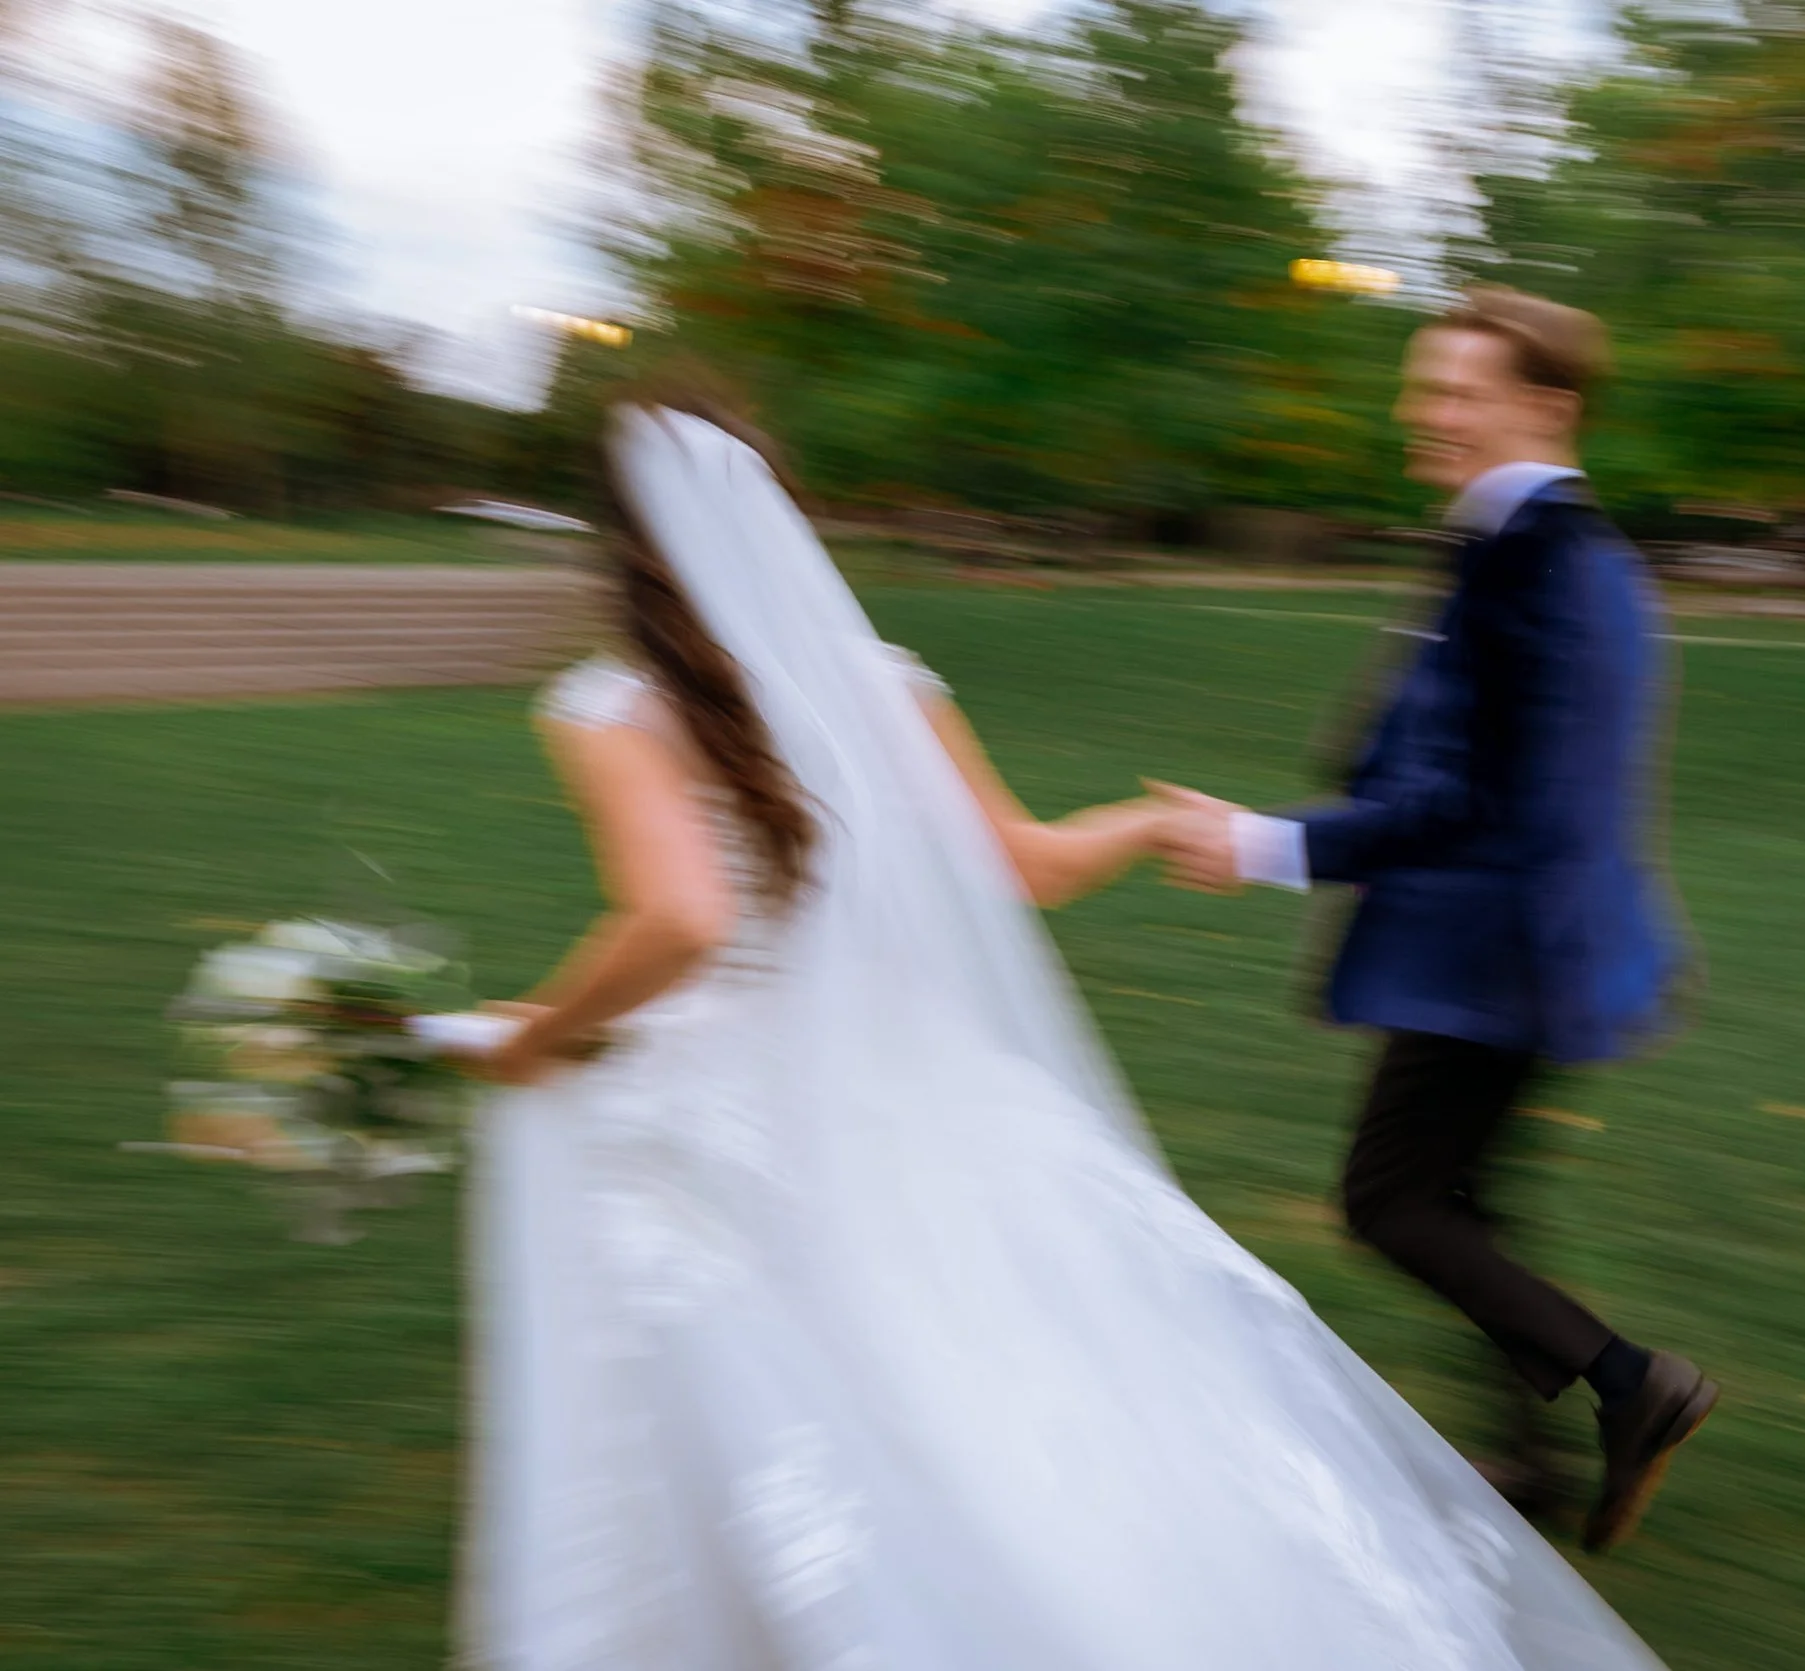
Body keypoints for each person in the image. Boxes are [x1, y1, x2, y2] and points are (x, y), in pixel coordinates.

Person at [446, 391, 1670, 1668]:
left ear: (620, 537)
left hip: (740, 1099)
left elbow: (685, 921)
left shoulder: (609, 707)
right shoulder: (881, 683)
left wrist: (537, 1033)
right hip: (926, 1085)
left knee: (767, 1372)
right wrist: (1145, 823)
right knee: (1007, 1365)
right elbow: (1024, 864)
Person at [1155, 287, 1714, 1554]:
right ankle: (1526, 1450)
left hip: (1494, 952)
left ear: (1547, 407)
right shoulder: (1548, 546)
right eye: (1424, 387)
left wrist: (1263, 844)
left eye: (1459, 392)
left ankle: (1635, 1384)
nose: (1427, 413)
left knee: (1391, 1201)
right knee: (1461, 1201)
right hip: (1526, 941)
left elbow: (1461, 798)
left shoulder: (1529, 564)